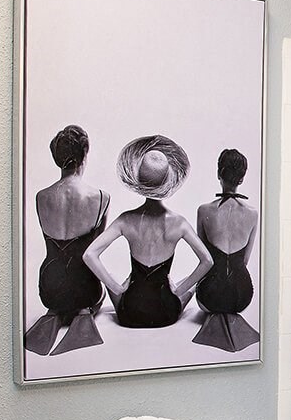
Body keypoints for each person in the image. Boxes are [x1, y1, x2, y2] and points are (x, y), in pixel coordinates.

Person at [84, 135, 212, 329]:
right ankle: (173, 290)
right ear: (167, 182)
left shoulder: (125, 219)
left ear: (139, 182)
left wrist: (118, 289)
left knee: (111, 275)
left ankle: (127, 289)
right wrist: (178, 291)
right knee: (190, 283)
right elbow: (207, 261)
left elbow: (89, 254)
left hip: (130, 313)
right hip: (166, 313)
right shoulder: (180, 223)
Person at [25, 125, 109, 356]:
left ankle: (55, 313)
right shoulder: (101, 197)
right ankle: (83, 312)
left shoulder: (41, 196)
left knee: (60, 286)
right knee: (91, 294)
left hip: (49, 287)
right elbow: (93, 253)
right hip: (86, 289)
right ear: (85, 152)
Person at [193, 148, 260, 352]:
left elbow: (204, 260)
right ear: (241, 179)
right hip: (242, 296)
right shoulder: (253, 214)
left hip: (209, 297)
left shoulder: (204, 210)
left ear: (219, 174)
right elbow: (245, 261)